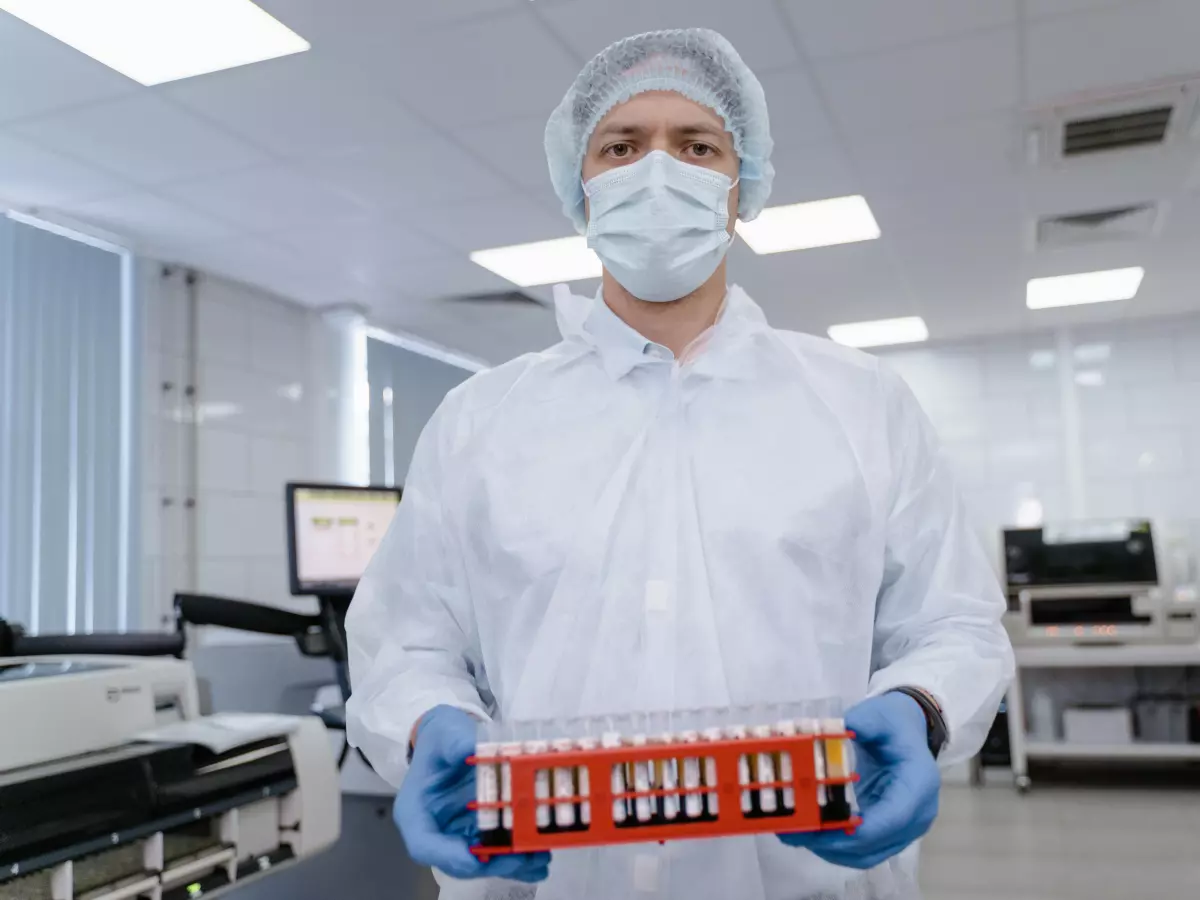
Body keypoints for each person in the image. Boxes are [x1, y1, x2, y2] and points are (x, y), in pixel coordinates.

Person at [346, 28, 1014, 900]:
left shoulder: (862, 404)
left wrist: (921, 707)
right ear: (581, 188)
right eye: (622, 146)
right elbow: (407, 641)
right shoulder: (481, 422)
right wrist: (427, 719)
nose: (657, 169)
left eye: (697, 145)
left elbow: (954, 625)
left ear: (740, 187)